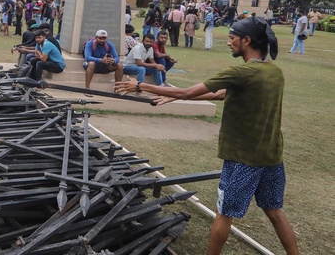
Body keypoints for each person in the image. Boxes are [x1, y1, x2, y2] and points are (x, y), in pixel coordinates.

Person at [115, 17, 299, 255]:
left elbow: (190, 90)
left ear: (247, 40)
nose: (229, 43)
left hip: (243, 158)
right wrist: (179, 97)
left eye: (233, 39)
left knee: (224, 214)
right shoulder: (274, 72)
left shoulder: (241, 72)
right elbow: (222, 95)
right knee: (274, 211)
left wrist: (141, 86)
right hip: (272, 156)